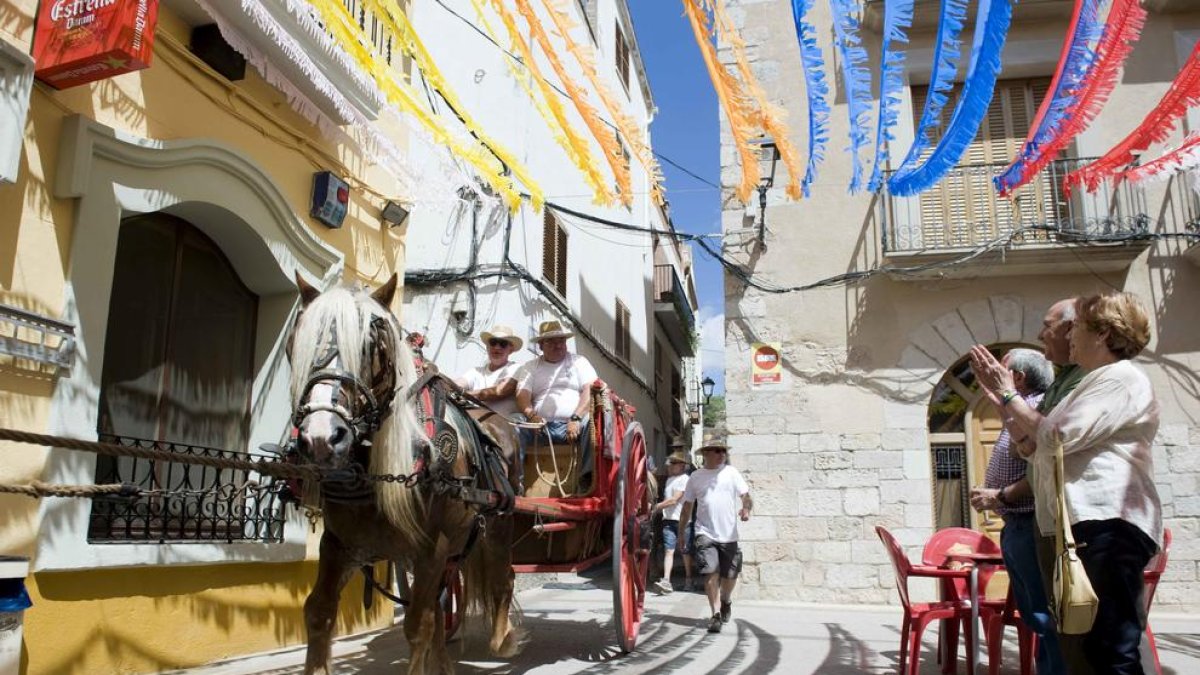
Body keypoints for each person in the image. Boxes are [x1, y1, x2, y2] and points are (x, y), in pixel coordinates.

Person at [970, 292, 1163, 675]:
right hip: (1075, 526)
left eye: (1078, 326)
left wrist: (1010, 394)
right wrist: (1003, 402)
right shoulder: (1090, 383)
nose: (1068, 333)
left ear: (1104, 333)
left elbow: (1055, 438)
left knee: (1109, 650)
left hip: (1106, 523)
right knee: (1081, 650)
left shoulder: (1120, 379)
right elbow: (1032, 447)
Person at [969, 348, 1064, 675]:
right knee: (1038, 617)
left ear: (1018, 378)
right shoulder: (1017, 409)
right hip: (1017, 525)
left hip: (1030, 523)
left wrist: (999, 496)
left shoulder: (1032, 408)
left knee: (1045, 616)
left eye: (1000, 369)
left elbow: (1038, 466)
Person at [679, 444, 751, 634]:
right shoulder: (695, 477)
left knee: (730, 575)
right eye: (717, 451)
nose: (722, 454)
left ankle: (726, 600)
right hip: (705, 533)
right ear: (705, 454)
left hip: (729, 535)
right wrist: (681, 533)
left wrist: (747, 509)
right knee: (710, 572)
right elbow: (687, 507)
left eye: (723, 451)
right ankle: (715, 614)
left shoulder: (731, 472)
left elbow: (746, 496)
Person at [515, 320, 598, 484]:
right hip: (540, 428)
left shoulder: (578, 361)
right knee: (516, 426)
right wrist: (531, 416)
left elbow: (590, 390)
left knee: (591, 423)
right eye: (551, 341)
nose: (557, 345)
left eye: (561, 340)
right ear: (540, 345)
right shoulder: (530, 366)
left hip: (574, 425)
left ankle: (586, 478)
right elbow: (522, 395)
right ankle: (516, 480)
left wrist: (576, 418)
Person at [651, 448, 696, 594]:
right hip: (668, 520)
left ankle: (689, 579)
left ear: (682, 465)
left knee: (685, 552)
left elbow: (674, 500)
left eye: (674, 463)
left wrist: (656, 507)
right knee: (668, 550)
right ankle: (666, 580)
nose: (670, 465)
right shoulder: (670, 480)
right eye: (670, 463)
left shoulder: (685, 480)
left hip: (683, 521)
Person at [455, 324, 523, 418]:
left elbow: (500, 391)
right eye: (493, 342)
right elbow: (456, 385)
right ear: (487, 347)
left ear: (510, 350)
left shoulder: (516, 368)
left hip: (503, 429)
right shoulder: (475, 371)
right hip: (473, 425)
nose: (497, 347)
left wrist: (463, 395)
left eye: (503, 343)